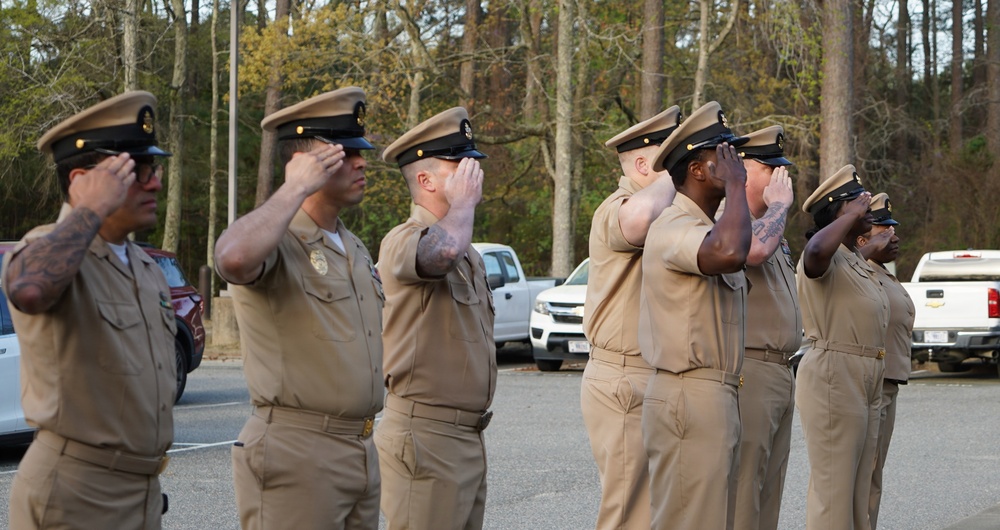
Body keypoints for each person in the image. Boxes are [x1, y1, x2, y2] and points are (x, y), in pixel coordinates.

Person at [2, 91, 175, 529]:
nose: (154, 182)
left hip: (141, 492)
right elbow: (29, 289)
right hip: (76, 493)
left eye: (153, 169)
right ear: (83, 178)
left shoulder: (145, 267)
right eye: (135, 171)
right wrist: (90, 208)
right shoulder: (44, 248)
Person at [214, 87, 385, 529]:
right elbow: (232, 258)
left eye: (360, 151)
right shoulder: (279, 237)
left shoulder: (353, 246)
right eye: (345, 153)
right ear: (307, 163)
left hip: (360, 448)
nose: (361, 161)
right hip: (299, 451)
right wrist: (294, 188)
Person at [376, 107, 495, 530]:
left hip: (465, 438)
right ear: (425, 180)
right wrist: (462, 207)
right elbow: (439, 254)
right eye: (457, 163)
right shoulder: (402, 240)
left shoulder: (470, 254)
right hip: (424, 437)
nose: (472, 169)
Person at [640, 101, 752, 530]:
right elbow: (730, 253)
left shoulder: (709, 225)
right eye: (722, 155)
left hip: (714, 395)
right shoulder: (671, 227)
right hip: (688, 392)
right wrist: (740, 187)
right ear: (698, 171)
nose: (735, 164)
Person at [580, 106, 681, 530]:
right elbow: (638, 221)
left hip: (654, 378)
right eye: (672, 156)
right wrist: (677, 180)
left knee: (657, 512)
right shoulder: (617, 208)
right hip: (624, 380)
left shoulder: (670, 213)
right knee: (628, 515)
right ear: (642, 164)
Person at [796, 165, 889, 530]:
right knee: (834, 492)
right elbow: (816, 249)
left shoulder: (852, 258)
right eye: (857, 203)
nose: (868, 208)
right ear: (839, 211)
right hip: (835, 373)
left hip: (866, 376)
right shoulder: (824, 255)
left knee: (857, 489)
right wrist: (850, 217)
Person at [732, 125, 801, 530]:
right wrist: (779, 208)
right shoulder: (732, 220)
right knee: (745, 489)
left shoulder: (772, 226)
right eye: (769, 167)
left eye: (782, 167)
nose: (781, 178)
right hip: (751, 368)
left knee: (770, 489)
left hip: (781, 368)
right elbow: (752, 252)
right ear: (741, 171)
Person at [856, 193, 914, 529]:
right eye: (884, 229)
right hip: (871, 383)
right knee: (863, 477)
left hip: (888, 383)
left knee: (873, 477)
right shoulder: (858, 273)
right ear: (862, 238)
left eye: (894, 228)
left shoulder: (882, 273)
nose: (894, 236)